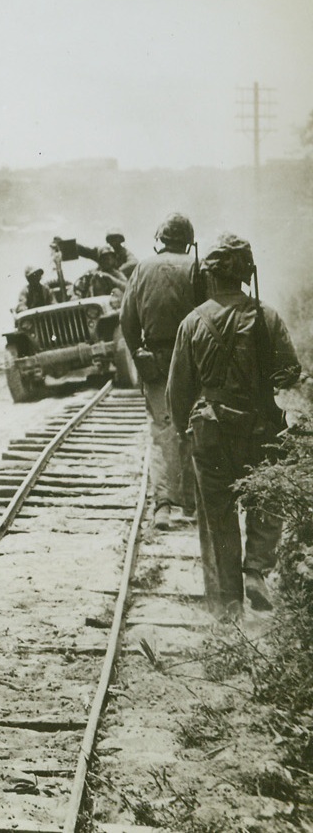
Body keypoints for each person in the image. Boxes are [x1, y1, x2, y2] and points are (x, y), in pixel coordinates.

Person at [167, 233, 301, 620]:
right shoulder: (267, 316)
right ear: (246, 273)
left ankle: (228, 610)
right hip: (260, 427)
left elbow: (178, 391)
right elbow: (289, 372)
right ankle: (257, 567)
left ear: (209, 276)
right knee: (268, 494)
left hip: (211, 432)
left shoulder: (191, 323)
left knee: (219, 520)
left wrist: (184, 431)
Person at [120, 212, 202, 530]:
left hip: (155, 358)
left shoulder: (142, 267)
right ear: (187, 241)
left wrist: (138, 351)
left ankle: (163, 507)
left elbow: (127, 320)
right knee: (193, 428)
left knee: (161, 432)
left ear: (161, 240)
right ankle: (193, 505)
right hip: (192, 358)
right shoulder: (197, 267)